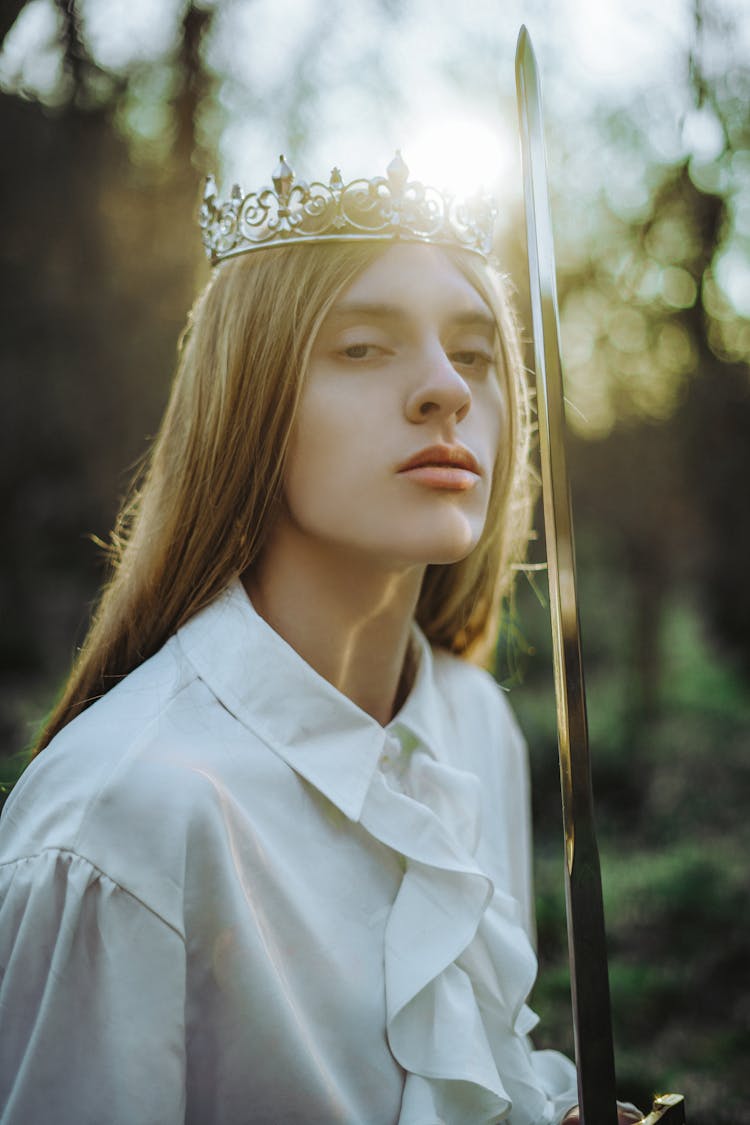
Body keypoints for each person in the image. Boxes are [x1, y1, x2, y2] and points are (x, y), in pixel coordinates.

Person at [0, 154, 641, 1124]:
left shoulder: (476, 728)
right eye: (361, 347)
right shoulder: (117, 826)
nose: (446, 392)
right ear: (248, 407)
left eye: (474, 353)